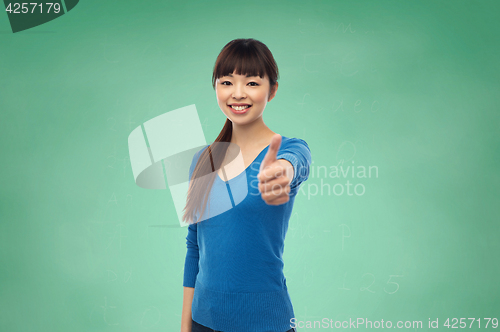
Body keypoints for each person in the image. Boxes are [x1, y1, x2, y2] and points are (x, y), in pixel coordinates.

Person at [180, 38, 311, 332]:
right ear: (215, 87)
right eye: (226, 82)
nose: (237, 93)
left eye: (252, 83)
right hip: (203, 321)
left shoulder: (290, 149)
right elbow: (194, 246)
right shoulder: (202, 160)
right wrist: (185, 326)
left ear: (272, 90)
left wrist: (282, 171)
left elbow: (296, 162)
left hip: (266, 323)